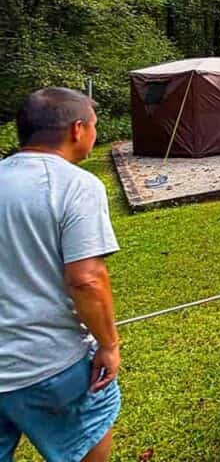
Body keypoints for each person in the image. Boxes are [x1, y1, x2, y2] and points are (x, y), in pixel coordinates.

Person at [0, 88, 121, 462]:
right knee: (86, 443)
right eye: (95, 126)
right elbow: (86, 278)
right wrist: (109, 345)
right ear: (77, 129)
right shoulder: (76, 186)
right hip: (48, 365)